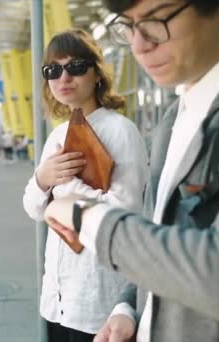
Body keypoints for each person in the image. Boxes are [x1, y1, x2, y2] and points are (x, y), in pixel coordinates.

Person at [43, 1, 219, 342]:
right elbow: (157, 234)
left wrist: (84, 215)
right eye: (129, 26)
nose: (139, 44)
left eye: (156, 19)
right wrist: (129, 307)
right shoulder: (173, 120)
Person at [22, 28, 149, 341]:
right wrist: (43, 179)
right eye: (53, 70)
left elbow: (126, 211)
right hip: (58, 295)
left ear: (97, 74)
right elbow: (33, 208)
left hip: (99, 298)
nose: (63, 78)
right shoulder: (57, 134)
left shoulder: (120, 131)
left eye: (75, 67)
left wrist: (63, 200)